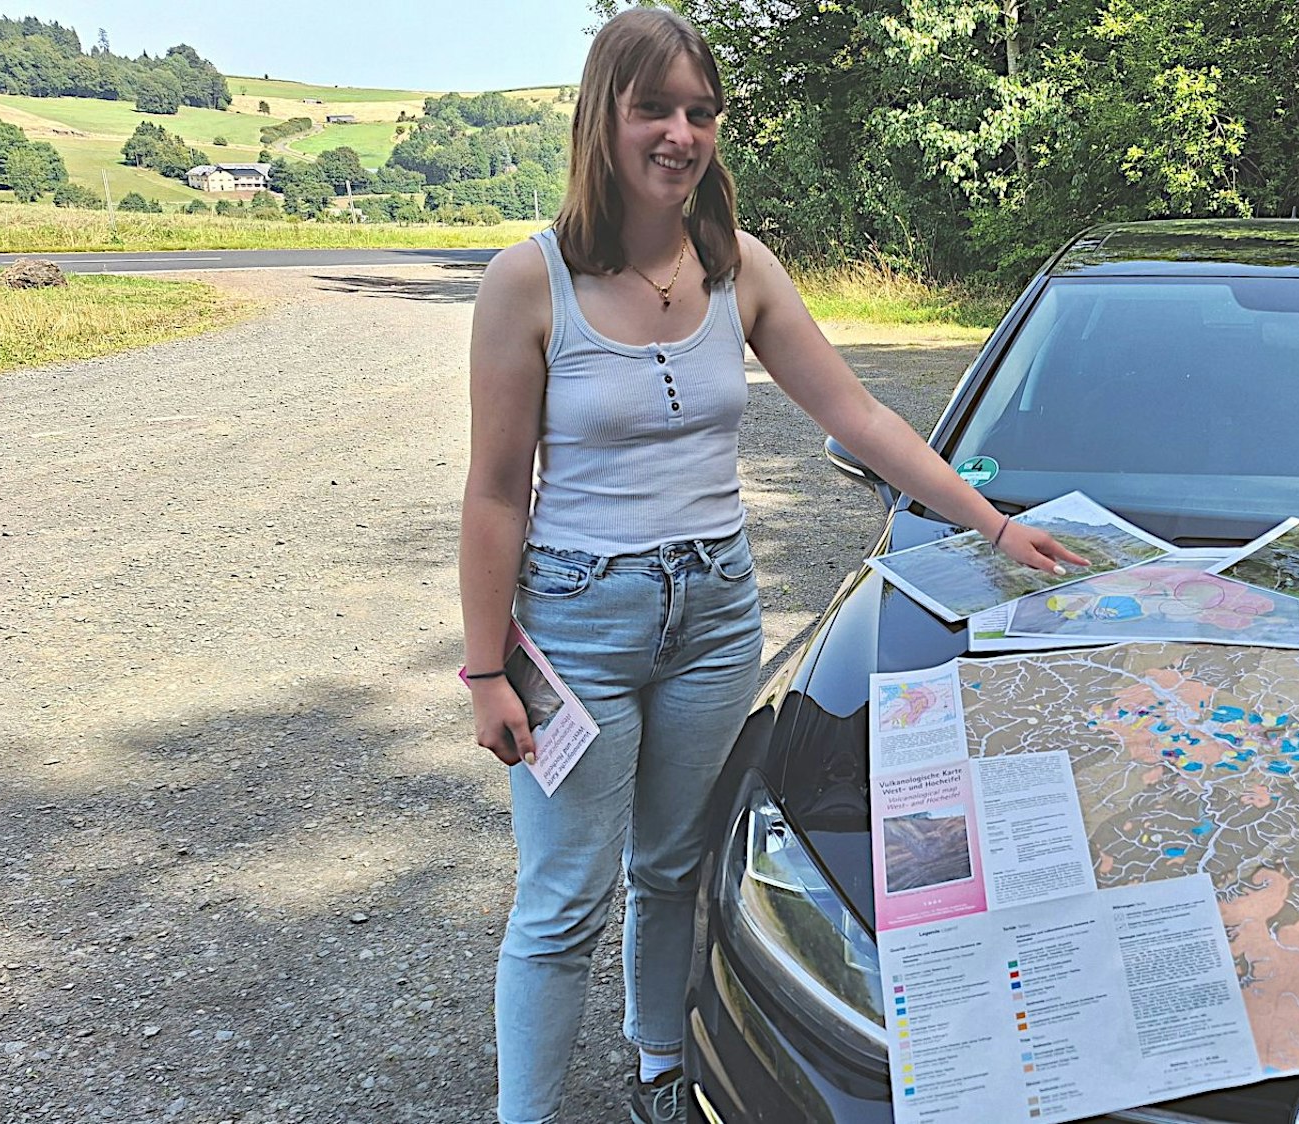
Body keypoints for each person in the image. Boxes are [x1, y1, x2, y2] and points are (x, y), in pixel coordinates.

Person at [456, 9, 1086, 1124]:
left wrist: (988, 523)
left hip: (713, 612)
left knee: (676, 862)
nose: (680, 133)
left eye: (700, 112)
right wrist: (484, 668)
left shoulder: (736, 267)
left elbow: (854, 410)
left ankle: (660, 1058)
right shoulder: (528, 281)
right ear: (601, 115)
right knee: (563, 895)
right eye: (653, 107)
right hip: (576, 621)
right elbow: (497, 490)